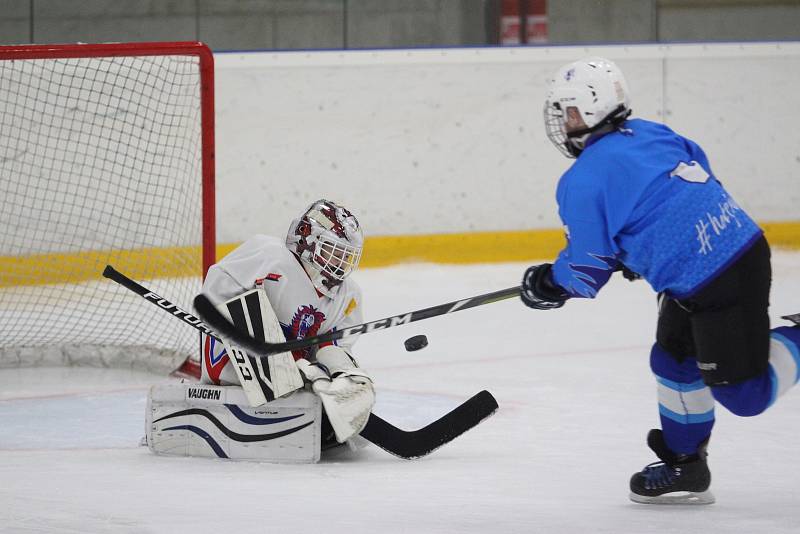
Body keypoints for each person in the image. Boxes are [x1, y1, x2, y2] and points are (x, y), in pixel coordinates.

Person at [520, 57, 800, 504]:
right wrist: (643, 245)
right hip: (718, 261)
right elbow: (697, 171)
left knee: (747, 395)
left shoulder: (583, 179)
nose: (564, 123)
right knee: (673, 361)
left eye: (569, 112)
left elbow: (585, 273)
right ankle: (685, 464)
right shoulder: (651, 132)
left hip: (720, 278)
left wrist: (546, 283)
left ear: (592, 111)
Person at [200, 198, 373, 450]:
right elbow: (217, 292)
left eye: (345, 258)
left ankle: (337, 399)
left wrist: (337, 372)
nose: (338, 264)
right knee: (245, 312)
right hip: (229, 364)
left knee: (336, 359)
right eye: (332, 252)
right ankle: (296, 379)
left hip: (295, 380)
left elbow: (333, 344)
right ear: (307, 240)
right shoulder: (269, 254)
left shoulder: (348, 296)